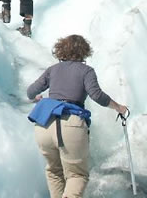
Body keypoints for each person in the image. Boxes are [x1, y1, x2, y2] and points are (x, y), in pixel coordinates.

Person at [27, 35, 128, 198]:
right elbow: (96, 95)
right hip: (70, 123)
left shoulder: (52, 70)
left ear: (61, 49)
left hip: (44, 124)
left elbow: (31, 91)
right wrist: (119, 107)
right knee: (77, 175)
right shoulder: (86, 71)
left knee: (54, 172)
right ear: (84, 51)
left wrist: (36, 98)